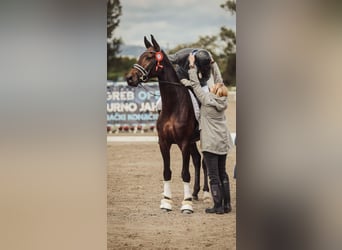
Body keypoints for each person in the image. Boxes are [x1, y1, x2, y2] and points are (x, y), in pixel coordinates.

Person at [181, 53, 234, 214]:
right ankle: (227, 205)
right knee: (223, 173)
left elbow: (196, 85)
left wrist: (191, 66)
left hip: (211, 143)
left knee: (213, 176)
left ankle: (217, 206)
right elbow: (219, 81)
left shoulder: (206, 99)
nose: (212, 86)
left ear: (215, 91)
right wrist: (213, 63)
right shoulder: (222, 99)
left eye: (213, 87)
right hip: (223, 142)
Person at [156, 48, 223, 115]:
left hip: (200, 84)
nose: (202, 69)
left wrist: (193, 85)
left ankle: (201, 122)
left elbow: (205, 78)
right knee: (159, 104)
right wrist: (158, 56)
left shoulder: (207, 62)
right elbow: (166, 59)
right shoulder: (182, 56)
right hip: (181, 79)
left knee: (207, 103)